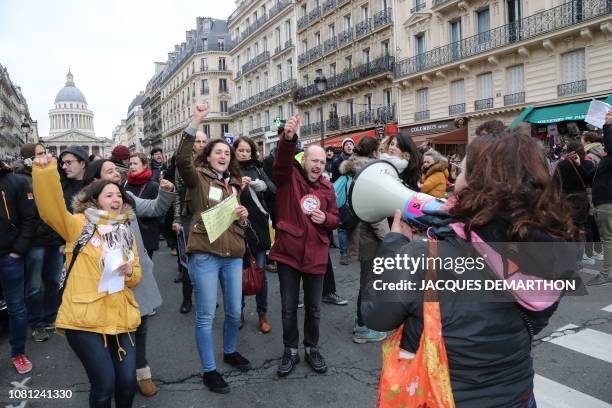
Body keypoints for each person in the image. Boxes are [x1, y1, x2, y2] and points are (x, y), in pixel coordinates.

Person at [362, 120, 581, 407]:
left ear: (480, 182)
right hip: (517, 395)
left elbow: (376, 316)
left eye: (463, 171)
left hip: (444, 397)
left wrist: (393, 246)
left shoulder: (425, 257)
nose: (455, 180)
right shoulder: (552, 248)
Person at [32, 153, 142, 408]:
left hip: (121, 315)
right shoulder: (77, 225)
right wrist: (45, 172)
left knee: (126, 383)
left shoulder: (125, 230)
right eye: (109, 195)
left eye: (118, 195)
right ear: (95, 200)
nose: (116, 199)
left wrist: (129, 272)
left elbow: (136, 277)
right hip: (84, 319)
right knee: (104, 384)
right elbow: (51, 211)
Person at [83, 158, 176, 397]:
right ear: (95, 181)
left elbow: (155, 208)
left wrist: (166, 192)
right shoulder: (84, 214)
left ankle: (141, 370)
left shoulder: (128, 199)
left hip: (135, 274)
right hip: (105, 281)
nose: (117, 173)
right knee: (110, 328)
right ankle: (115, 373)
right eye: (109, 171)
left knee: (140, 323)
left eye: (117, 170)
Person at [177, 103, 251, 394]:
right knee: (206, 315)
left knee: (234, 312)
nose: (223, 155)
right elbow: (182, 159)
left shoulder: (234, 184)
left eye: (227, 153)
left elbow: (235, 223)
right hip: (205, 256)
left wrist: (242, 217)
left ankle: (230, 351)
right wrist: (196, 120)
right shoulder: (196, 178)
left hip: (232, 255)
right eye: (217, 151)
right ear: (207, 157)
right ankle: (209, 370)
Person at [270, 114, 340, 377]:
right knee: (288, 308)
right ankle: (290, 350)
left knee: (314, 308)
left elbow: (336, 218)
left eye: (322, 162)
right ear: (304, 160)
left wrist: (326, 219)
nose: (318, 165)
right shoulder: (289, 177)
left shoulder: (327, 187)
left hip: (316, 255)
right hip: (289, 252)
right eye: (314, 160)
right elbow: (280, 162)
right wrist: (288, 139)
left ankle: (312, 348)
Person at [337, 137, 388, 343]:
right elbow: (374, 213)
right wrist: (390, 239)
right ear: (375, 152)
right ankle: (362, 327)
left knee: (367, 283)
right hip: (369, 239)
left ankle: (364, 323)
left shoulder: (353, 171)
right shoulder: (370, 174)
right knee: (369, 284)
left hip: (359, 234)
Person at [14, 143, 64, 343]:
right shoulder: (20, 180)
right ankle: (37, 323)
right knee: (35, 286)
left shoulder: (52, 173)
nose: (45, 156)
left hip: (53, 237)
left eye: (45, 153)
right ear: (27, 158)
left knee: (53, 281)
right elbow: (26, 213)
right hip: (34, 241)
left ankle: (51, 317)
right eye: (40, 154)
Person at [234, 136, 275, 333]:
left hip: (257, 228)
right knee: (237, 275)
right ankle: (239, 313)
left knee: (260, 272)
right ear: (234, 151)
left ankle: (262, 314)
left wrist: (262, 185)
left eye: (247, 151)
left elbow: (273, 190)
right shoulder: (228, 171)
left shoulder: (258, 169)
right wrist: (236, 189)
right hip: (235, 228)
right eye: (240, 150)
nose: (244, 154)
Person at [0, 159, 37, 374]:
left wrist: (18, 250)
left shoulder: (16, 182)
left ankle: (18, 353)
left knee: (16, 308)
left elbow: (30, 218)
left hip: (9, 256)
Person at [173, 130, 209, 313]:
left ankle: (206, 297)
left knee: (208, 263)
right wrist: (177, 218)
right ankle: (187, 299)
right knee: (189, 263)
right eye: (198, 141)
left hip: (208, 216)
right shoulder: (184, 165)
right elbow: (177, 194)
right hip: (189, 217)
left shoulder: (212, 161)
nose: (201, 144)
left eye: (204, 141)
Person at [590, 111, 612, 286]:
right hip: (605, 201)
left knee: (608, 239)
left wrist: (608, 125)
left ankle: (607, 273)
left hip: (607, 202)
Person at [125, 153, 160, 259]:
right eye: (130, 164)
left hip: (147, 234)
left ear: (144, 165)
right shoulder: (125, 184)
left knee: (145, 268)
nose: (132, 166)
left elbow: (157, 210)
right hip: (129, 233)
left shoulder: (153, 185)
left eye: (135, 163)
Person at [59, 146, 90, 212]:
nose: (64, 167)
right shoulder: (59, 187)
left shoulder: (95, 187)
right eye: (63, 163)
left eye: (68, 162)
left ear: (82, 164)